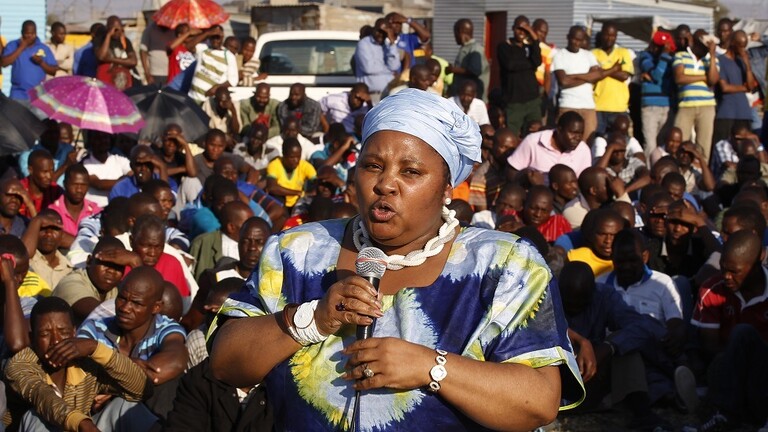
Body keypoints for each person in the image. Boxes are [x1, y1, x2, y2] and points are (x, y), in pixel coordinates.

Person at [209, 88, 584, 431]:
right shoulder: (298, 251)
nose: (385, 184)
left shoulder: (503, 265)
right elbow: (225, 363)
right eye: (372, 166)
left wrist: (430, 367)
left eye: (411, 171)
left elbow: (539, 401)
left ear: (447, 186)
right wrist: (311, 319)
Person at [3, 297, 154, 432]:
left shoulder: (86, 364)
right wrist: (82, 423)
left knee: (125, 406)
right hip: (50, 426)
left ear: (74, 332)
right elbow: (42, 397)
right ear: (32, 338)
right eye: (45, 334)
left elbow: (142, 390)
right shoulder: (19, 364)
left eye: (63, 332)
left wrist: (96, 348)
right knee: (36, 417)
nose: (56, 341)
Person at [559, 262, 670, 431]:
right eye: (569, 304)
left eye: (580, 303)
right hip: (555, 383)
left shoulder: (604, 295)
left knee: (626, 346)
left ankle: (643, 413)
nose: (574, 309)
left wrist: (607, 347)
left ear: (592, 292)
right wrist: (581, 341)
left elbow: (639, 326)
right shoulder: (546, 297)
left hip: (592, 378)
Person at [690, 230, 768, 430]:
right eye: (723, 269)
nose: (726, 277)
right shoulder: (712, 289)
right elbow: (710, 348)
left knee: (743, 334)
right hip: (729, 372)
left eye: (734, 271)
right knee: (729, 349)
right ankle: (723, 413)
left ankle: (718, 408)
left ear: (759, 259)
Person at [552, 25, 617, 142]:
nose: (577, 43)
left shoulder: (588, 55)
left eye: (580, 40)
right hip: (568, 105)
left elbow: (597, 77)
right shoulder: (559, 55)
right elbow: (563, 81)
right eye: (574, 39)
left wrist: (573, 76)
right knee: (565, 142)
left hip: (588, 107)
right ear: (568, 37)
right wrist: (588, 77)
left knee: (588, 143)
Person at [52, 236, 126, 324]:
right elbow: (101, 314)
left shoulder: (116, 288)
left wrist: (136, 264)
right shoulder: (71, 283)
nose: (111, 271)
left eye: (118, 267)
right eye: (105, 264)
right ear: (89, 261)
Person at [673, 29, 719, 164]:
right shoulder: (681, 56)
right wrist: (703, 77)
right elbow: (679, 78)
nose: (705, 48)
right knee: (681, 142)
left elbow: (713, 80)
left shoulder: (712, 60)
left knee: (704, 145)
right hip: (685, 105)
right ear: (694, 42)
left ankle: (701, 170)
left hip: (707, 106)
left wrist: (712, 55)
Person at [507, 110, 592, 177]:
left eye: (581, 133)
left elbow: (584, 182)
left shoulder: (583, 150)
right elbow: (512, 171)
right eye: (573, 133)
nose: (577, 138)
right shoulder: (533, 142)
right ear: (559, 130)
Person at [497, 15, 542, 135]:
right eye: (519, 28)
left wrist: (534, 37)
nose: (522, 32)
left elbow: (537, 61)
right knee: (512, 135)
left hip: (532, 100)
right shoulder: (504, 46)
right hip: (514, 102)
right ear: (513, 28)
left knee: (535, 134)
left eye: (525, 30)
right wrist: (530, 63)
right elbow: (510, 65)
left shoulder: (530, 47)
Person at [189, 200, 254, 280]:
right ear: (231, 227)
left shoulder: (256, 247)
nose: (253, 228)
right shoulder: (202, 243)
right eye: (247, 225)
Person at [713, 30, 757, 145]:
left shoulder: (741, 62)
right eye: (741, 46)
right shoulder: (721, 60)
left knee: (744, 147)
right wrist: (744, 88)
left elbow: (751, 86)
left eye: (745, 46)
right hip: (726, 112)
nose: (743, 50)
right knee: (722, 145)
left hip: (743, 112)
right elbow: (725, 87)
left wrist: (747, 65)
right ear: (733, 43)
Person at [591, 22, 635, 135]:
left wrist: (602, 70)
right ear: (602, 34)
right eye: (607, 34)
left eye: (612, 35)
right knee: (598, 140)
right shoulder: (593, 54)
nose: (609, 38)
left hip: (619, 107)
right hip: (598, 106)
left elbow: (624, 76)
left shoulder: (623, 53)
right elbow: (592, 76)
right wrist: (614, 69)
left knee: (619, 140)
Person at [639, 30, 676, 159]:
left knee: (663, 144)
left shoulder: (670, 60)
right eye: (660, 47)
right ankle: (650, 170)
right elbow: (657, 75)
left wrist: (655, 76)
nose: (662, 50)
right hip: (650, 106)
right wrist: (664, 56)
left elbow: (661, 78)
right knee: (650, 145)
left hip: (666, 105)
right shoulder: (645, 56)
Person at [0, 20, 57, 101]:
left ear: (36, 33)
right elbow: (3, 63)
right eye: (27, 33)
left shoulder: (43, 48)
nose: (30, 36)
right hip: (18, 95)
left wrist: (41, 62)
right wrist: (21, 47)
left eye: (32, 33)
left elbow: (53, 71)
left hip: (38, 96)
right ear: (22, 32)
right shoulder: (13, 45)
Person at [563, 166, 631, 229]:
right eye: (607, 185)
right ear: (593, 191)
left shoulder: (611, 202)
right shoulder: (572, 211)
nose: (612, 188)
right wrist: (621, 194)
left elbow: (630, 223)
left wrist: (621, 195)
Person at [567, 208, 628, 277]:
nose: (608, 240)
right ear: (592, 234)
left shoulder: (629, 261)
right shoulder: (576, 258)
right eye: (602, 234)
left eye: (613, 235)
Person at [468, 128, 517, 211]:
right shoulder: (481, 177)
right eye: (503, 147)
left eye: (512, 149)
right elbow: (483, 213)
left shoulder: (516, 170)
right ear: (493, 145)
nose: (508, 152)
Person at [21, 210, 73, 290]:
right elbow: (23, 254)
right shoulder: (28, 261)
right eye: (43, 228)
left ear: (62, 234)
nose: (49, 233)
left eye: (54, 229)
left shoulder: (69, 267)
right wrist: (37, 220)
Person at [353, 18, 400, 102]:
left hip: (389, 93)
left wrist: (392, 44)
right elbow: (369, 68)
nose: (380, 35)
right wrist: (388, 70)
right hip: (372, 95)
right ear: (374, 29)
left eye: (384, 32)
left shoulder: (388, 45)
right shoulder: (364, 44)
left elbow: (394, 66)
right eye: (378, 31)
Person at [81, 129, 132, 207]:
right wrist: (124, 180)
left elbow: (133, 176)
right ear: (91, 140)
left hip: (118, 208)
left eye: (105, 137)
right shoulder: (85, 163)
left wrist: (126, 179)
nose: (102, 141)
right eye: (98, 138)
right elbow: (99, 184)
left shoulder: (120, 160)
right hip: (94, 209)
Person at [188, 25, 238, 103]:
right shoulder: (204, 48)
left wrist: (216, 88)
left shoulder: (229, 56)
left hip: (207, 101)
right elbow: (189, 46)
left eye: (217, 37)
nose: (215, 40)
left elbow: (233, 81)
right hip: (192, 96)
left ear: (222, 37)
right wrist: (207, 33)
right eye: (213, 37)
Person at [266, 138, 317, 212]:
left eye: (298, 156)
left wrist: (313, 190)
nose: (296, 160)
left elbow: (317, 182)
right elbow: (272, 187)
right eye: (292, 157)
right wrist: (299, 193)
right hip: (279, 203)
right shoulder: (274, 165)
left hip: (297, 203)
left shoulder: (305, 166)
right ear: (283, 154)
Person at [447, 19, 490, 102]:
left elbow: (475, 70)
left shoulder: (475, 48)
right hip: (462, 99)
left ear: (460, 31)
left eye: (455, 33)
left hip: (473, 100)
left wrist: (453, 70)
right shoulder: (465, 48)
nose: (455, 36)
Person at [95, 16, 138, 91]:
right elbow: (101, 56)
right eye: (115, 29)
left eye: (119, 28)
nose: (117, 32)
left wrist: (110, 59)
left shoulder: (125, 41)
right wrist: (108, 35)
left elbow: (133, 61)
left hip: (123, 82)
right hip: (106, 81)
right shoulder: (100, 40)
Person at [19, 150, 64, 219]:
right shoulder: (19, 190)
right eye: (44, 172)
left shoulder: (56, 191)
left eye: (52, 171)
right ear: (30, 170)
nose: (49, 176)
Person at [140, 20, 174, 86]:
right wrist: (147, 73)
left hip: (171, 74)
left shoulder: (173, 30)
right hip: (155, 74)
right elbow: (143, 51)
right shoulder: (149, 30)